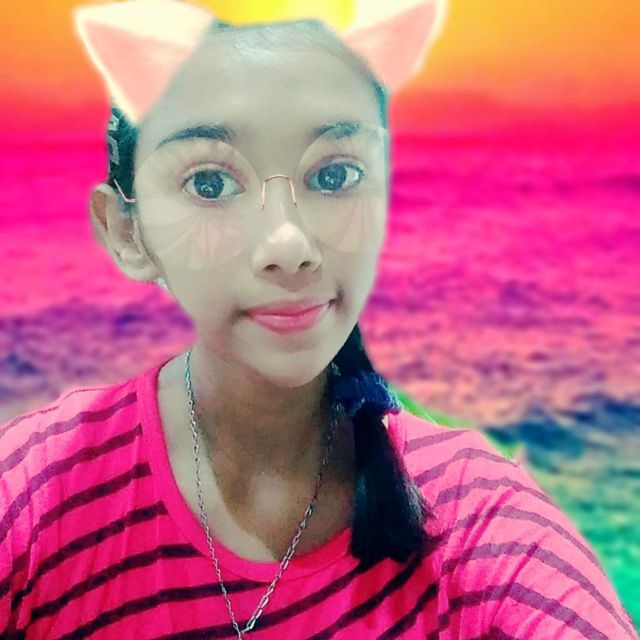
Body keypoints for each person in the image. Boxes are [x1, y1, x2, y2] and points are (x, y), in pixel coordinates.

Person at [1, 1, 637, 638]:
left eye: (335, 174)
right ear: (126, 231)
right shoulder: (39, 493)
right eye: (210, 184)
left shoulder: (470, 518)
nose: (289, 243)